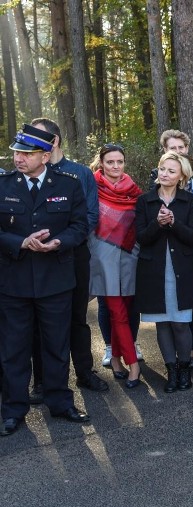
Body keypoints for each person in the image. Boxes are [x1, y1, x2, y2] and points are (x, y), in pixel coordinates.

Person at [0, 124, 90, 436]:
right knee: (14, 348)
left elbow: (80, 225)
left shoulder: (69, 184)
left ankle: (61, 402)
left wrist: (59, 242)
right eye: (16, 152)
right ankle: (13, 410)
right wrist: (20, 242)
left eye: (26, 153)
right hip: (14, 281)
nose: (18, 158)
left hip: (55, 279)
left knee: (56, 345)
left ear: (45, 155)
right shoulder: (3, 185)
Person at [31, 118, 109, 393]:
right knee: (39, 322)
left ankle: (84, 373)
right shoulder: (30, 172)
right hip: (38, 259)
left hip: (74, 256)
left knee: (77, 318)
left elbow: (90, 215)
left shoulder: (79, 174)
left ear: (54, 142)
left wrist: (61, 241)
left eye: (37, 140)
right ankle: (42, 382)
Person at [135, 152, 193, 393]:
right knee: (162, 324)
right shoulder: (145, 201)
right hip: (154, 270)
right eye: (162, 169)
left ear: (182, 177)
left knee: (180, 324)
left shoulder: (190, 200)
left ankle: (185, 367)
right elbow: (141, 237)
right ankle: (172, 371)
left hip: (182, 270)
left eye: (171, 171)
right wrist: (157, 223)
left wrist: (174, 222)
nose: (164, 174)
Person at [89, 143, 144, 388]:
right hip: (102, 256)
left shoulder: (134, 191)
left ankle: (117, 360)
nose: (115, 166)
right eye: (110, 162)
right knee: (116, 312)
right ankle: (134, 365)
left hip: (130, 255)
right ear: (101, 163)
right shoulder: (91, 187)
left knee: (127, 310)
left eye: (119, 162)